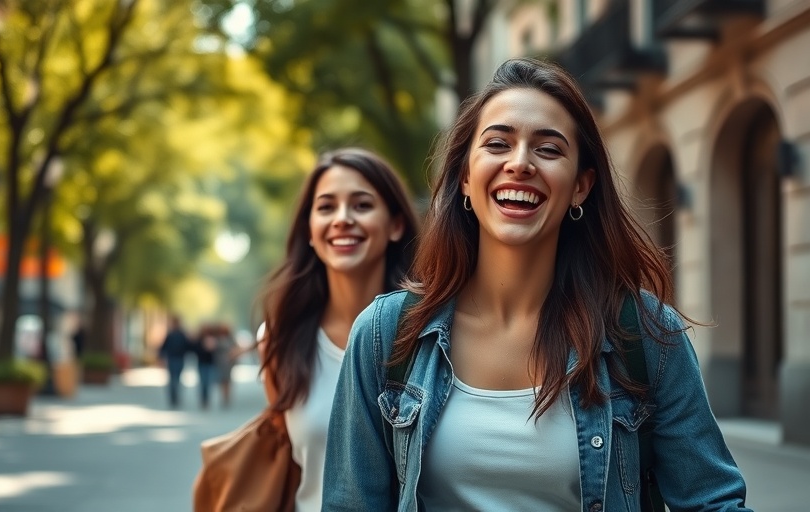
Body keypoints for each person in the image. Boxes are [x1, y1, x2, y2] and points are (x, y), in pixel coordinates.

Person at [323, 58, 751, 511]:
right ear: (466, 177)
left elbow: (712, 502)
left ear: (581, 187)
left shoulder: (645, 334)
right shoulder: (384, 335)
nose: (520, 163)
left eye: (548, 149)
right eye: (497, 144)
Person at [258, 147, 419, 511]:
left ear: (396, 225)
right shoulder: (278, 341)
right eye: (326, 207)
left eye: (362, 205)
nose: (342, 219)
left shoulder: (431, 334)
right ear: (310, 231)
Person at [158, 316, 191, 409]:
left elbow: (187, 346)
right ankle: (173, 397)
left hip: (178, 359)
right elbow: (164, 347)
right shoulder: (173, 334)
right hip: (173, 359)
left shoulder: (180, 334)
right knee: (174, 379)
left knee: (175, 379)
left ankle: (174, 397)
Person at [211, 323, 237, 408]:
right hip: (219, 363)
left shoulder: (230, 339)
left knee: (227, 381)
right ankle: (223, 397)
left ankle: (227, 397)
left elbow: (235, 349)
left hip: (228, 363)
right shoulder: (217, 339)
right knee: (221, 381)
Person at [194, 324, 217, 410]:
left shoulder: (213, 339)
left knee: (208, 383)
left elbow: (215, 352)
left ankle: (206, 399)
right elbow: (195, 350)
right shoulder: (199, 340)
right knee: (203, 382)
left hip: (210, 364)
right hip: (202, 363)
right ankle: (203, 399)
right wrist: (204, 347)